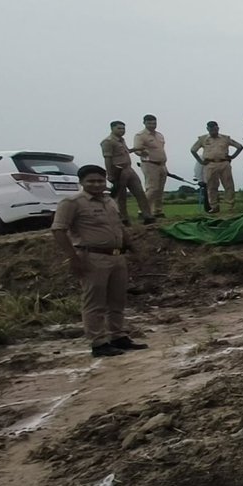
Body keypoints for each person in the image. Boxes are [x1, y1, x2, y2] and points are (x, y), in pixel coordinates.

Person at [51, 165, 148, 358]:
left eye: (100, 181)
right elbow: (58, 230)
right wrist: (73, 257)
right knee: (95, 302)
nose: (96, 185)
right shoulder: (72, 202)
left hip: (116, 256)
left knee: (117, 299)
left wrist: (132, 247)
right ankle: (98, 342)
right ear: (81, 182)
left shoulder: (109, 201)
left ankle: (118, 336)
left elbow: (119, 227)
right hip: (92, 257)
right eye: (91, 181)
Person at [100, 121, 153, 225]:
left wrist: (136, 149)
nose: (122, 131)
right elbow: (108, 158)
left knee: (140, 192)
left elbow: (126, 151)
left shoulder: (121, 140)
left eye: (123, 129)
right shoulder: (108, 141)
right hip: (118, 170)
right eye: (119, 128)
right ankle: (124, 218)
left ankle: (147, 215)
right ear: (112, 128)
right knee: (121, 196)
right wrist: (110, 174)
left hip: (129, 168)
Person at [189, 120, 243, 213]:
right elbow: (193, 150)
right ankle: (214, 206)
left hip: (224, 163)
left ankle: (230, 206)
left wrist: (232, 156)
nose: (213, 131)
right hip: (210, 164)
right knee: (211, 186)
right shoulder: (203, 139)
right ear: (207, 129)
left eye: (215, 129)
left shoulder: (225, 138)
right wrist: (201, 162)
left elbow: (239, 147)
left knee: (228, 185)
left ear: (217, 128)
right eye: (211, 130)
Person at [130, 114, 169, 219]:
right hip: (149, 163)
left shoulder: (159, 135)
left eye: (154, 123)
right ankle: (142, 211)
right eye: (149, 123)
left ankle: (157, 211)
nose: (152, 125)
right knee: (152, 188)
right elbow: (137, 149)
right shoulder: (140, 135)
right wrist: (142, 153)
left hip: (161, 164)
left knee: (160, 189)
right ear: (144, 123)